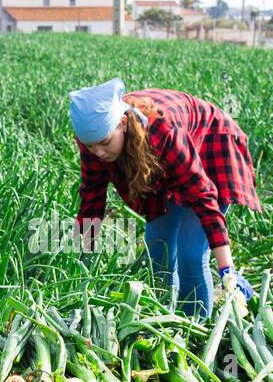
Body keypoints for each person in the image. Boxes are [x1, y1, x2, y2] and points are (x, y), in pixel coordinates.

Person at [70, 79, 259, 317]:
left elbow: (203, 197)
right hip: (160, 160)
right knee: (158, 250)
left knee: (191, 253)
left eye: (105, 143)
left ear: (124, 123)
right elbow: (92, 196)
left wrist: (227, 269)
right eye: (91, 146)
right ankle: (165, 317)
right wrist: (81, 255)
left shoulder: (163, 133)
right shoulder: (95, 141)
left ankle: (194, 330)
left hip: (211, 144)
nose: (98, 153)